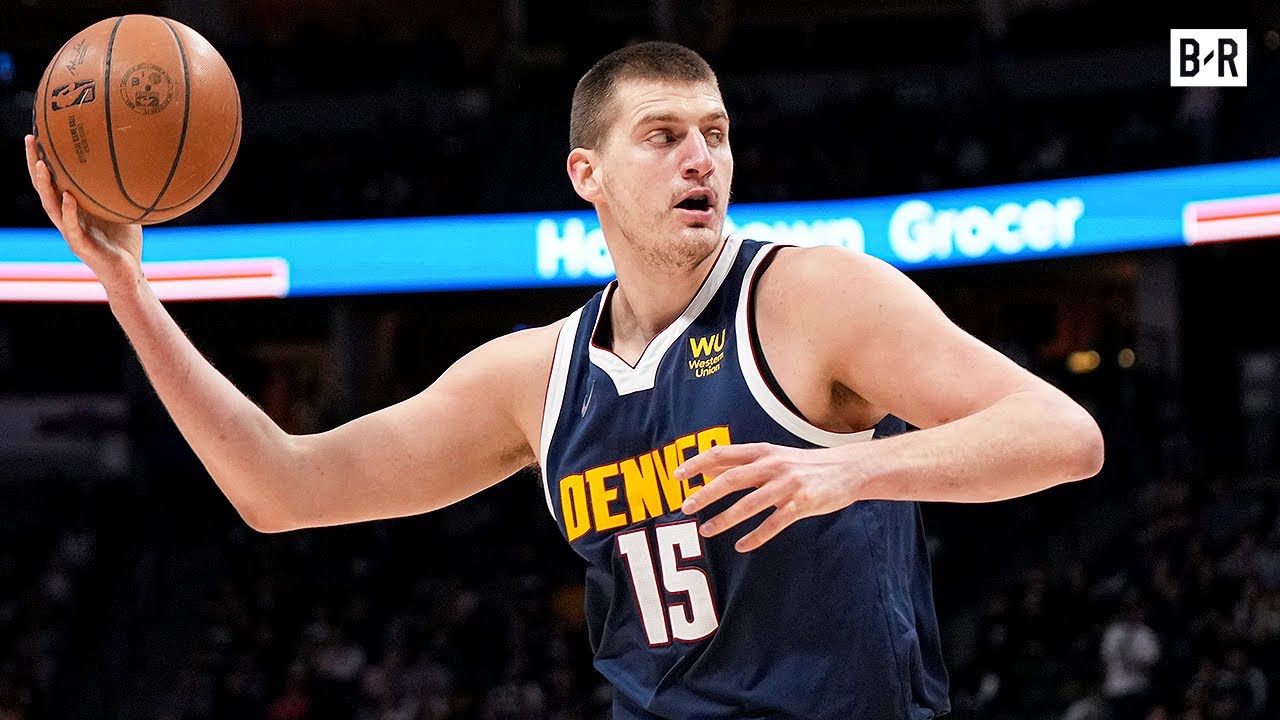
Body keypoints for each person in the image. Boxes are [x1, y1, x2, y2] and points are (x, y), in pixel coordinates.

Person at [24, 40, 1104, 720]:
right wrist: (126, 287)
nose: (701, 160)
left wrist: (849, 477)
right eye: (663, 136)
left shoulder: (811, 299)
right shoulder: (532, 374)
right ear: (585, 173)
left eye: (715, 136)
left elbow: (1060, 433)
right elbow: (282, 489)